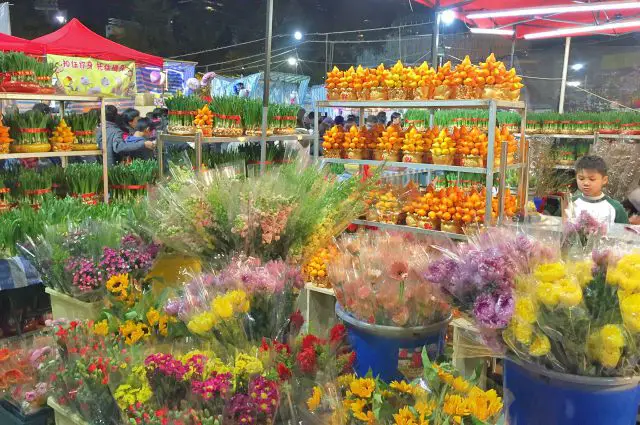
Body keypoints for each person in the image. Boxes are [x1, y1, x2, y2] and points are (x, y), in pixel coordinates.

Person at [572, 155, 628, 225]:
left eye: (592, 179)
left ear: (604, 180)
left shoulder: (615, 208)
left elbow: (625, 234)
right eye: (581, 178)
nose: (586, 183)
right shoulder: (569, 204)